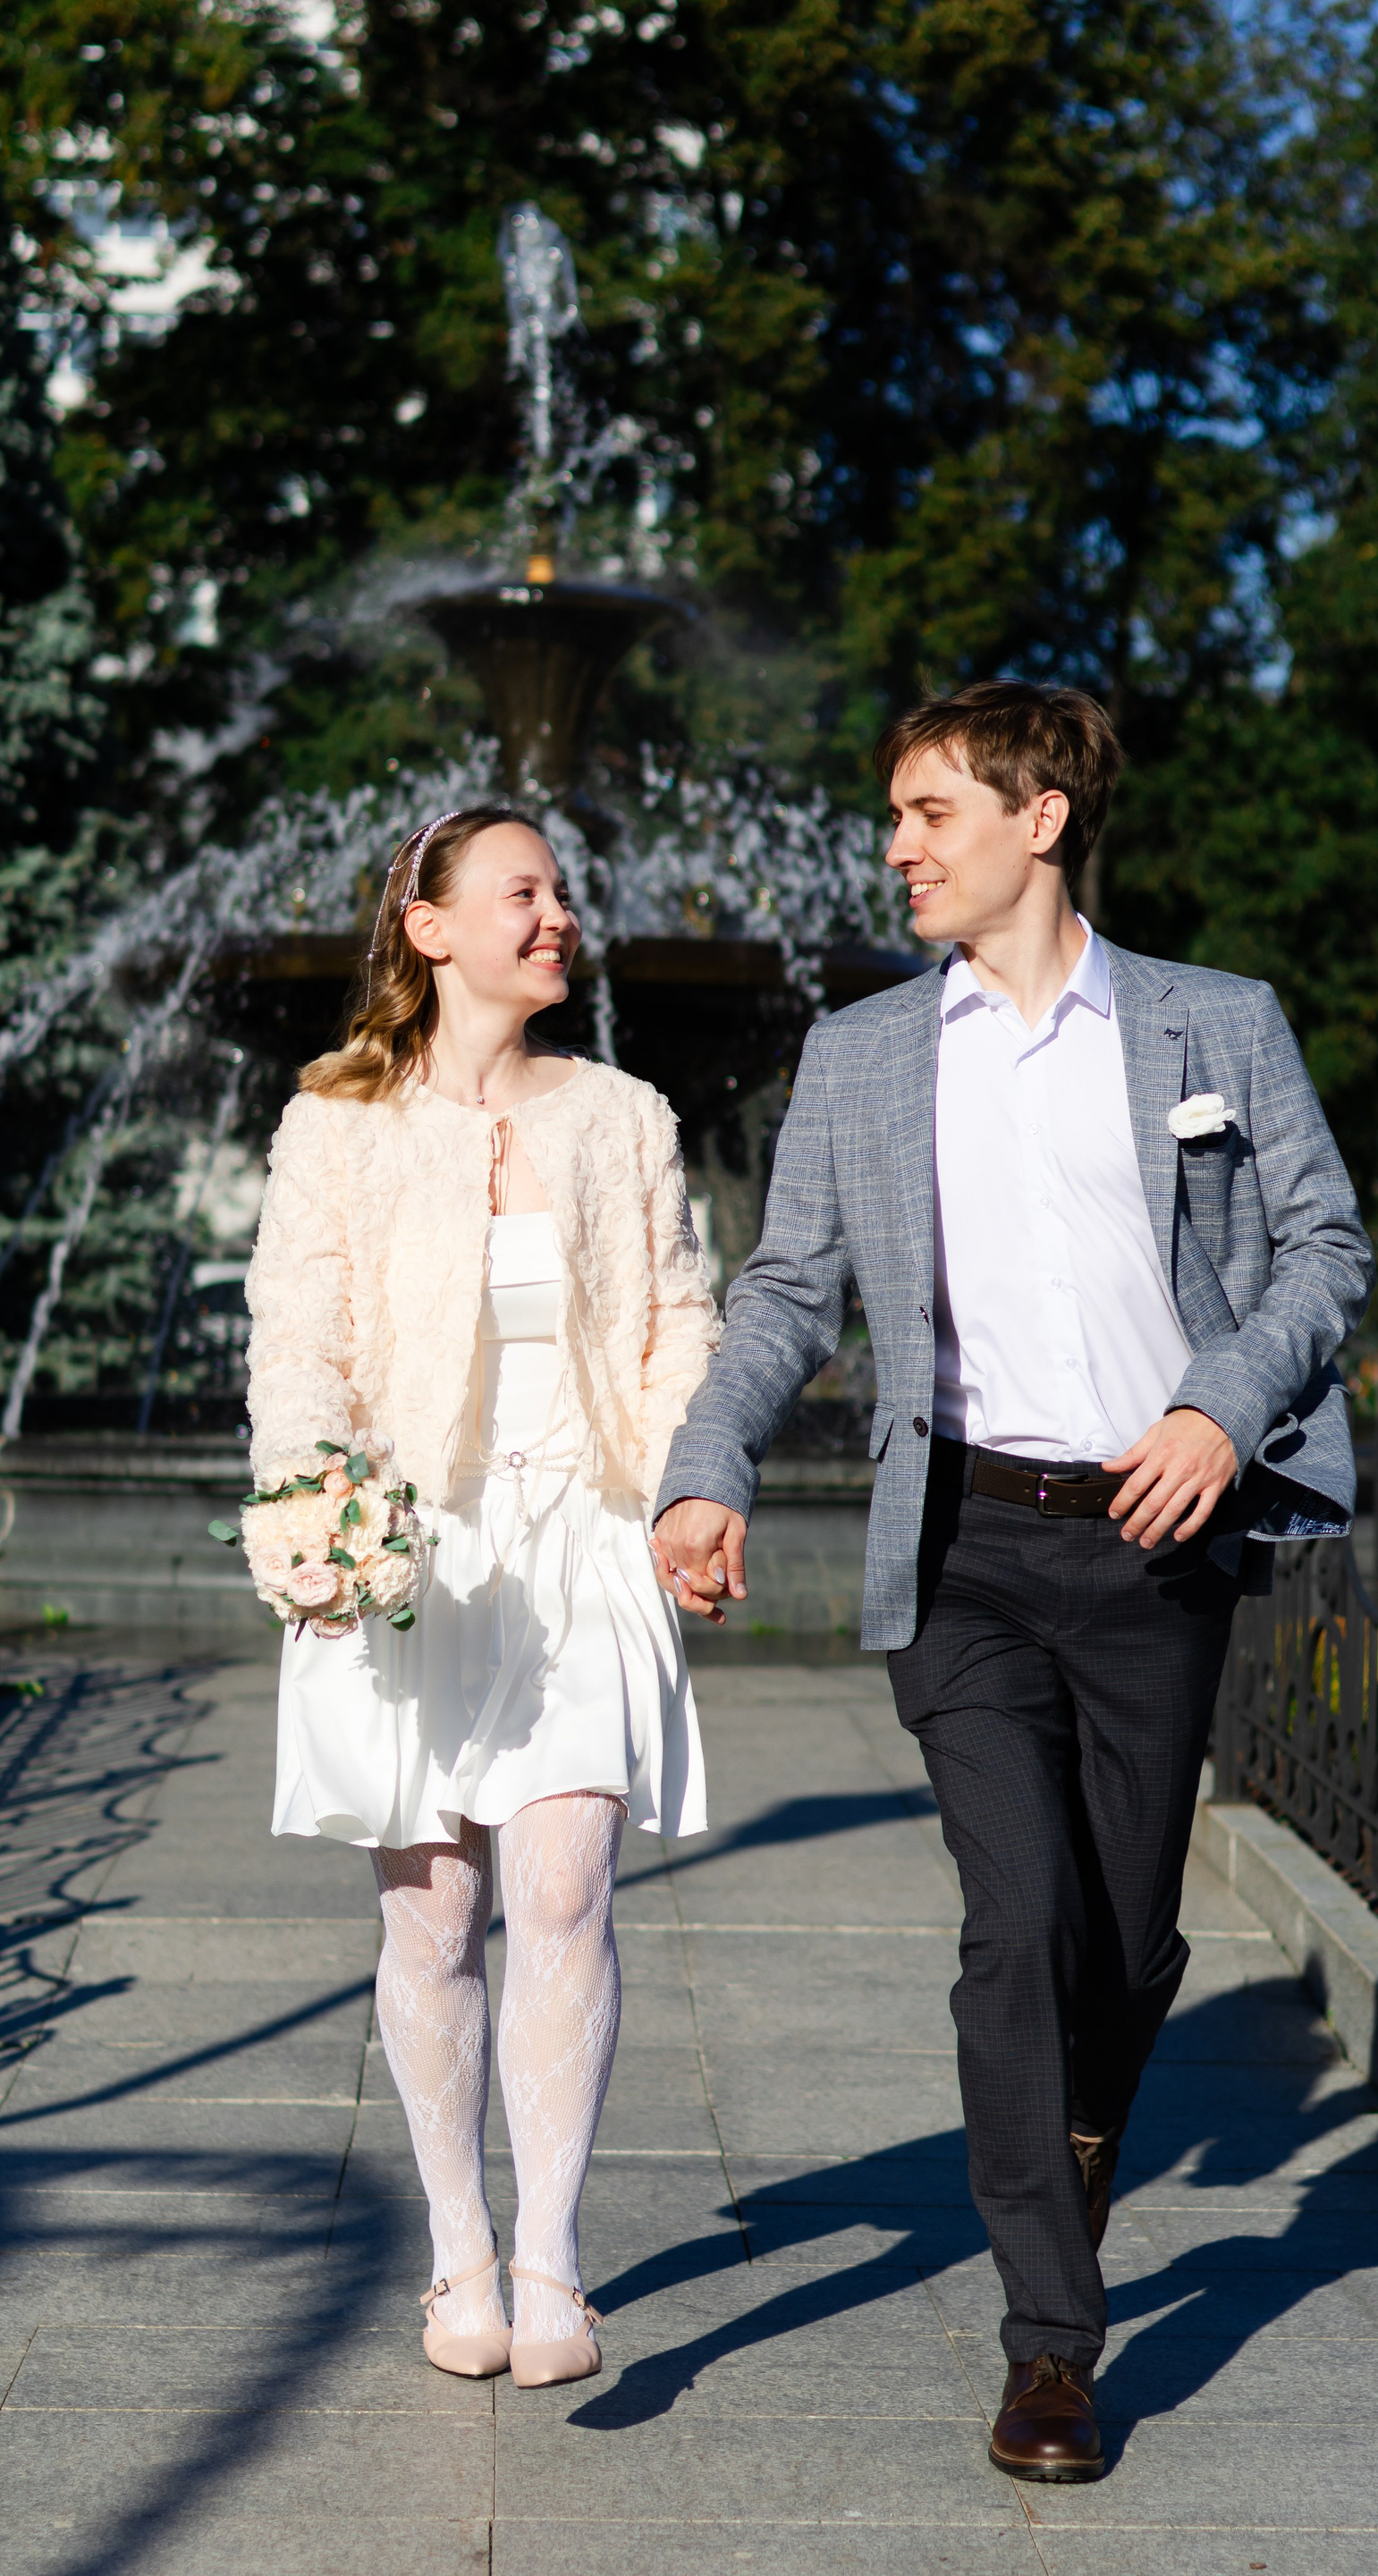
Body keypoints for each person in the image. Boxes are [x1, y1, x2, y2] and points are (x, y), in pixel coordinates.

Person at [651, 681, 1373, 2481]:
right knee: (1016, 1921)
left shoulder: (1216, 1023)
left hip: (1159, 1533)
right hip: (965, 1542)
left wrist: (1218, 1406)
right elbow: (787, 1292)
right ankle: (1053, 2341)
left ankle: (1080, 2133)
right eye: (895, 815)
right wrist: (707, 1465)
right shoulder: (867, 1054)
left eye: (930, 812)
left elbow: (1326, 1245)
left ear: (1039, 818)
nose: (897, 846)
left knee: (1121, 1942)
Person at [246, 804, 717, 2389]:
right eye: (524, 892)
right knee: (434, 1912)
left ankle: (552, 2260)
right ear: (432, 928)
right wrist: (314, 1508)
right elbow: (298, 1340)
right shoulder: (336, 1123)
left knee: (567, 1893)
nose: (558, 914)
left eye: (563, 892)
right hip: (410, 1546)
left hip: (579, 1534)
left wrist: (687, 1492)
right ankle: (458, 2247)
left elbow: (677, 1319)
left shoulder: (625, 1115)